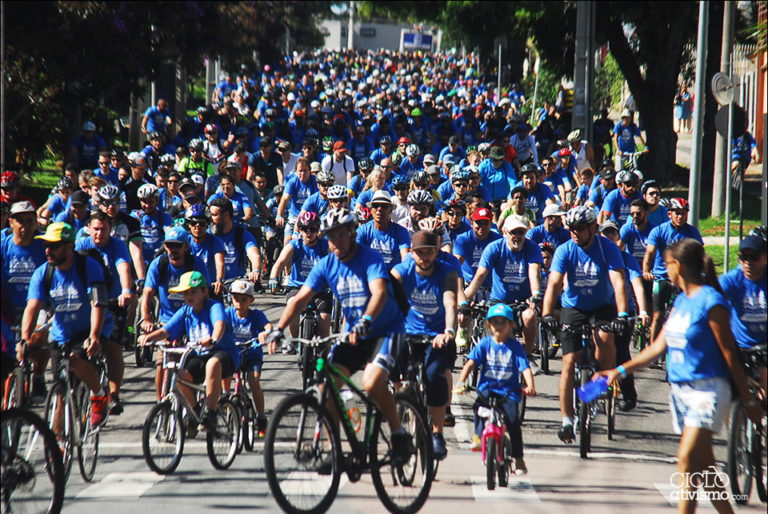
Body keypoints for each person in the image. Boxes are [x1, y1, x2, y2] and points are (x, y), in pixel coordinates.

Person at [597, 239, 763, 514]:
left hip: (707, 390)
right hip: (681, 392)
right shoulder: (682, 301)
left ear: (681, 266)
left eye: (668, 264)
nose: (664, 269)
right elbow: (657, 347)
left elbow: (729, 355)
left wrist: (748, 401)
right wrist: (619, 370)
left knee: (685, 460)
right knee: (706, 467)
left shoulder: (712, 301)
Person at [266, 208, 412, 466]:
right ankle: (334, 451)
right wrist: (278, 328)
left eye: (341, 235)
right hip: (354, 333)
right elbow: (300, 299)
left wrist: (366, 320)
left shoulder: (370, 258)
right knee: (328, 388)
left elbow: (378, 292)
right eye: (331, 237)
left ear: (353, 234)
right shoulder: (326, 264)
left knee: (371, 382)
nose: (336, 242)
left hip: (386, 329)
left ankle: (399, 435)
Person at [541, 206, 628, 443]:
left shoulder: (607, 248)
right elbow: (554, 283)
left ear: (592, 228)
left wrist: (622, 315)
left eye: (580, 228)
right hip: (574, 308)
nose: (575, 233)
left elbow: (618, 282)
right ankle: (567, 421)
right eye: (571, 229)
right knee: (569, 360)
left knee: (605, 337)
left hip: (602, 306)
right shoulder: (564, 250)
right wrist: (547, 314)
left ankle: (600, 383)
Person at [22, 222, 111, 426]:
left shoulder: (89, 267)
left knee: (76, 360)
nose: (48, 251)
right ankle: (59, 445)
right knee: (60, 390)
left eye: (54, 246)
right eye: (46, 245)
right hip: (62, 334)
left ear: (70, 247)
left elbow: (98, 303)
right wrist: (25, 339)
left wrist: (95, 336)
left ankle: (98, 395)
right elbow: (32, 308)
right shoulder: (43, 273)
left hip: (90, 328)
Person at [139, 271, 239, 432]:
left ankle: (211, 414)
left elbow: (219, 325)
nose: (189, 296)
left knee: (213, 364)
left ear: (205, 291)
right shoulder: (186, 311)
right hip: (200, 355)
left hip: (223, 354)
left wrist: (213, 338)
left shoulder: (214, 306)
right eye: (185, 293)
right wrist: (148, 337)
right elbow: (167, 330)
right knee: (179, 377)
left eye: (193, 292)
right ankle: (195, 412)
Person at [391, 230, 458, 461]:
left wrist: (448, 331)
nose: (425, 257)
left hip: (437, 336)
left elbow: (450, 303)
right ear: (412, 253)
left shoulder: (446, 272)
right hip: (408, 332)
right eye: (420, 253)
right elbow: (387, 290)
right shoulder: (403, 270)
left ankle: (437, 434)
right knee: (388, 351)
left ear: (437, 251)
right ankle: (401, 395)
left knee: (434, 375)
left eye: (429, 252)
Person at [453, 303, 535, 475]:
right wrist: (461, 381)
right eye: (495, 322)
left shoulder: (515, 346)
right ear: (489, 325)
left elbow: (525, 368)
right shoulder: (484, 344)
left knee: (512, 422)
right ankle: (477, 435)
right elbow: (470, 364)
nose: (499, 326)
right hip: (487, 389)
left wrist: (530, 386)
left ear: (511, 325)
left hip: (509, 392)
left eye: (503, 322)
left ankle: (518, 459)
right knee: (478, 406)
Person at [75, 211, 133, 415]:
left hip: (112, 302)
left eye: (104, 229)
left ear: (110, 229)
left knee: (113, 347)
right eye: (96, 229)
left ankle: (114, 394)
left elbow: (123, 267)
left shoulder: (117, 245)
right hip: (87, 304)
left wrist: (126, 291)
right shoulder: (81, 245)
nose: (99, 234)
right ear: (88, 228)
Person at [464, 214, 543, 360]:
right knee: (500, 323)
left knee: (530, 316)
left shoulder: (532, 247)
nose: (517, 236)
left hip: (523, 300)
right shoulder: (494, 248)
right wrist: (464, 299)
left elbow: (534, 272)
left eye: (521, 232)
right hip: (499, 301)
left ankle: (527, 355)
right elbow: (480, 276)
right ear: (505, 232)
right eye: (514, 232)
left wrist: (535, 294)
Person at [599, 220, 650, 411]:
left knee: (621, 352)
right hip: (602, 309)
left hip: (624, 311)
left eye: (612, 233)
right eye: (605, 233)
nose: (609, 237)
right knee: (593, 350)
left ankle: (629, 395)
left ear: (618, 237)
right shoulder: (596, 256)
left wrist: (643, 311)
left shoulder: (627, 259)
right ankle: (591, 393)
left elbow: (637, 285)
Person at [1, 201, 48, 399]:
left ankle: (38, 375)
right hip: (8, 307)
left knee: (40, 335)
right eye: (20, 221)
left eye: (30, 221)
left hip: (36, 306)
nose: (25, 226)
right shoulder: (3, 245)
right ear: (11, 222)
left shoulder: (43, 246)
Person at [643, 198, 703, 343]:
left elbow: (700, 254)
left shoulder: (692, 231)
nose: (680, 217)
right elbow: (650, 253)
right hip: (661, 277)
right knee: (658, 315)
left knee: (684, 315)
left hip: (683, 279)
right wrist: (646, 270)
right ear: (669, 214)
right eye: (677, 213)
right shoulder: (659, 230)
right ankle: (653, 348)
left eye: (683, 213)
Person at [269, 211, 331, 344]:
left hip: (321, 290)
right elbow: (280, 262)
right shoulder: (294, 245)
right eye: (304, 228)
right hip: (297, 287)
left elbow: (339, 263)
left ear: (318, 229)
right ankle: (295, 340)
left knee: (324, 328)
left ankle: (324, 359)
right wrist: (273, 278)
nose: (308, 233)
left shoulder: (325, 246)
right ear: (299, 230)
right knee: (292, 305)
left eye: (313, 229)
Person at [224, 279, 272, 437]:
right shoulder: (228, 313)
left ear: (251, 300)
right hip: (233, 354)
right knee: (224, 373)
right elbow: (217, 323)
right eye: (236, 298)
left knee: (254, 379)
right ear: (231, 298)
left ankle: (261, 415)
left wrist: (265, 332)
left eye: (244, 299)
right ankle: (225, 397)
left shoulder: (256, 315)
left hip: (252, 354)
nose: (239, 302)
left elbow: (268, 326)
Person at [719, 235, 767, 349]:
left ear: (765, 257)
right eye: (744, 257)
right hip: (740, 348)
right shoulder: (730, 280)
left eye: (754, 257)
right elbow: (709, 305)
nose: (748, 262)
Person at [208, 197, 262, 283]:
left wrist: (255, 270)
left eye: (214, 215)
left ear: (226, 215)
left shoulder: (241, 234)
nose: (211, 219)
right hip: (213, 283)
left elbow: (254, 254)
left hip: (236, 283)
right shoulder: (208, 234)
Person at [356, 190, 411, 271]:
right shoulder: (363, 230)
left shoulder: (401, 232)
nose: (379, 209)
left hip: (394, 276)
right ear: (371, 210)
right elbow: (356, 255)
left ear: (391, 210)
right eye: (376, 205)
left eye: (384, 206)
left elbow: (405, 260)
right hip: (370, 274)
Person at [185, 205, 226, 297]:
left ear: (207, 225)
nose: (197, 227)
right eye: (193, 223)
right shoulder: (185, 242)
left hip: (210, 287)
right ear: (189, 225)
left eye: (202, 224)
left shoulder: (215, 240)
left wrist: (219, 280)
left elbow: (219, 262)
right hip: (189, 288)